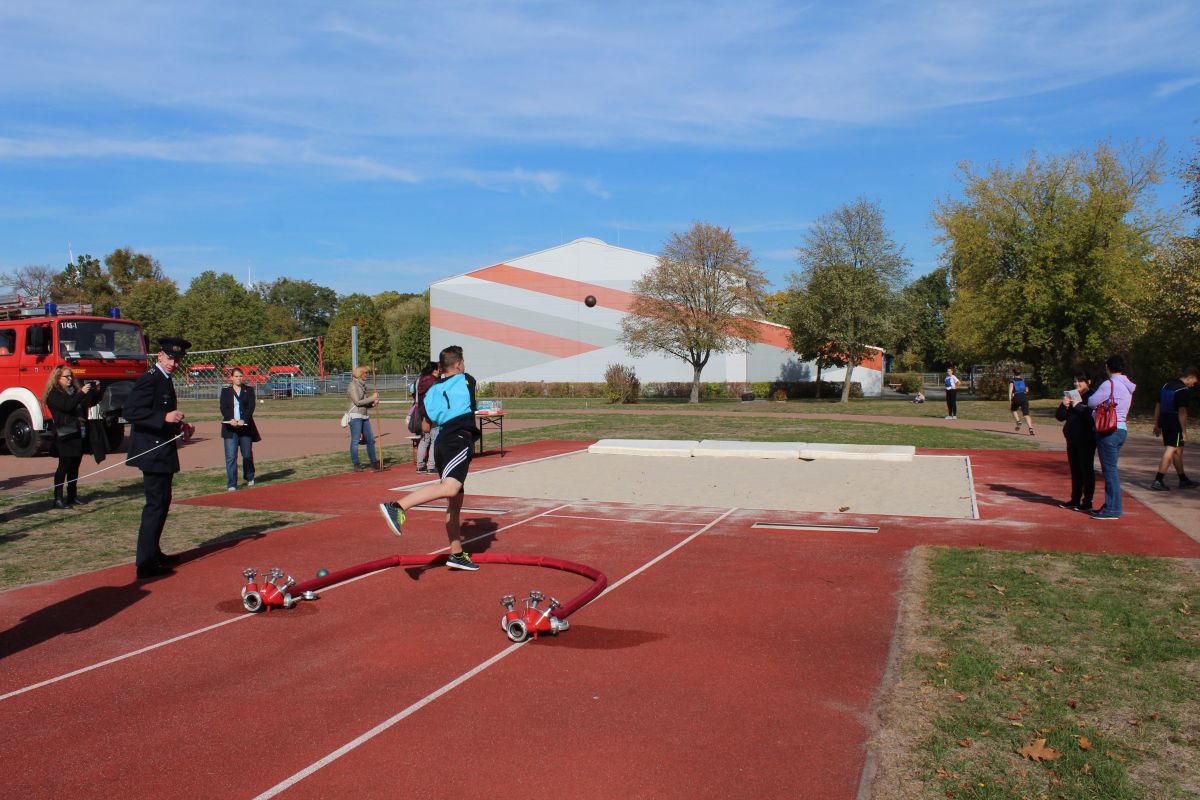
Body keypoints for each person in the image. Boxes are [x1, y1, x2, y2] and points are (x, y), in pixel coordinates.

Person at [380, 345, 481, 571]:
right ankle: (397, 506)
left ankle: (456, 554)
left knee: (454, 504)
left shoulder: (432, 390)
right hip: (458, 438)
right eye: (462, 361)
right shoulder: (467, 380)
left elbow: (426, 426)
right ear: (458, 364)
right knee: (451, 488)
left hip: (442, 441)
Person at [124, 337, 190, 579]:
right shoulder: (150, 378)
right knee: (154, 505)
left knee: (162, 503)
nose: (174, 362)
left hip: (162, 449)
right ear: (159, 356)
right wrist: (163, 419)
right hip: (151, 452)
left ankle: (154, 552)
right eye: (170, 357)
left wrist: (179, 425)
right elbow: (131, 411)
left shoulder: (164, 378)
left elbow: (164, 412)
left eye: (177, 359)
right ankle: (145, 562)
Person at [1087, 354, 1136, 520]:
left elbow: (1092, 401)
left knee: (1109, 472)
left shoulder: (1110, 384)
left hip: (1108, 430)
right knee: (1111, 469)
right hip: (1121, 428)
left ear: (1108, 367)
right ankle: (1110, 505)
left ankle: (1113, 509)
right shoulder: (1128, 385)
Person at [43, 365, 100, 508]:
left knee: (75, 466)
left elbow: (86, 403)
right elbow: (67, 406)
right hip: (65, 434)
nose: (70, 379)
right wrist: (81, 393)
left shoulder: (74, 390)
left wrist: (95, 392)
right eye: (66, 377)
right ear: (57, 378)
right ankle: (57, 497)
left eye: (71, 376)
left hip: (78, 432)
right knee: (64, 466)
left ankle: (72, 496)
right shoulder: (54, 394)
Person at [1149, 366, 1199, 491]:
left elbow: (1158, 405)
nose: (1194, 385)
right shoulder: (1182, 390)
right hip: (1174, 422)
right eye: (1195, 382)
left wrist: (1157, 424)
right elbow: (1182, 412)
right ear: (1190, 377)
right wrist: (1184, 431)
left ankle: (1183, 480)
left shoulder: (1166, 385)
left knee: (1178, 450)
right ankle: (1158, 480)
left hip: (1165, 420)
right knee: (1171, 450)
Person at [1054, 372, 1095, 512]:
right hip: (1072, 438)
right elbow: (1059, 417)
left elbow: (1091, 417)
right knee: (1075, 470)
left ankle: (1087, 501)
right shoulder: (1071, 395)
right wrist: (1064, 406)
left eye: (1080, 381)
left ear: (1089, 382)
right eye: (1075, 381)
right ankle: (1075, 499)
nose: (1077, 384)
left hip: (1086, 438)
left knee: (1086, 470)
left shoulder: (1093, 397)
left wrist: (1077, 406)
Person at [220, 367, 260, 491]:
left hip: (245, 427)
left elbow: (251, 407)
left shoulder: (249, 390)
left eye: (240, 376)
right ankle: (232, 483)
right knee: (231, 457)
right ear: (231, 378)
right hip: (230, 428)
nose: (239, 378)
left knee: (247, 455)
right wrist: (230, 418)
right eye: (236, 376)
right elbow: (223, 407)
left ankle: (249, 476)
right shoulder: (225, 391)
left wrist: (244, 419)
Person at [346, 365, 382, 471]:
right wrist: (372, 397)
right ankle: (356, 464)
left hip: (364, 415)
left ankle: (373, 462)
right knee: (355, 440)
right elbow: (357, 402)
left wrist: (372, 404)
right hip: (355, 415)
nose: (367, 374)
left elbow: (365, 404)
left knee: (370, 440)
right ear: (360, 373)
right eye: (365, 373)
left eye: (368, 372)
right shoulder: (353, 385)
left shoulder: (363, 385)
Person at [413, 360, 441, 473]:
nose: (440, 371)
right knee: (434, 438)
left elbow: (413, 393)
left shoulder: (420, 379)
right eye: (439, 369)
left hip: (421, 411)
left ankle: (420, 465)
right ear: (434, 370)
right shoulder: (433, 381)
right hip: (432, 412)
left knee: (425, 438)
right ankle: (431, 465)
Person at [1009, 368, 1034, 435]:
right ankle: (1031, 429)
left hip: (1016, 397)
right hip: (1024, 397)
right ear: (1020, 374)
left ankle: (1018, 421)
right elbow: (1027, 390)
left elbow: (1010, 392)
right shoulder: (1023, 381)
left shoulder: (1012, 381)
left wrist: (1010, 400)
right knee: (1026, 414)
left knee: (1013, 410)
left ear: (1014, 373)